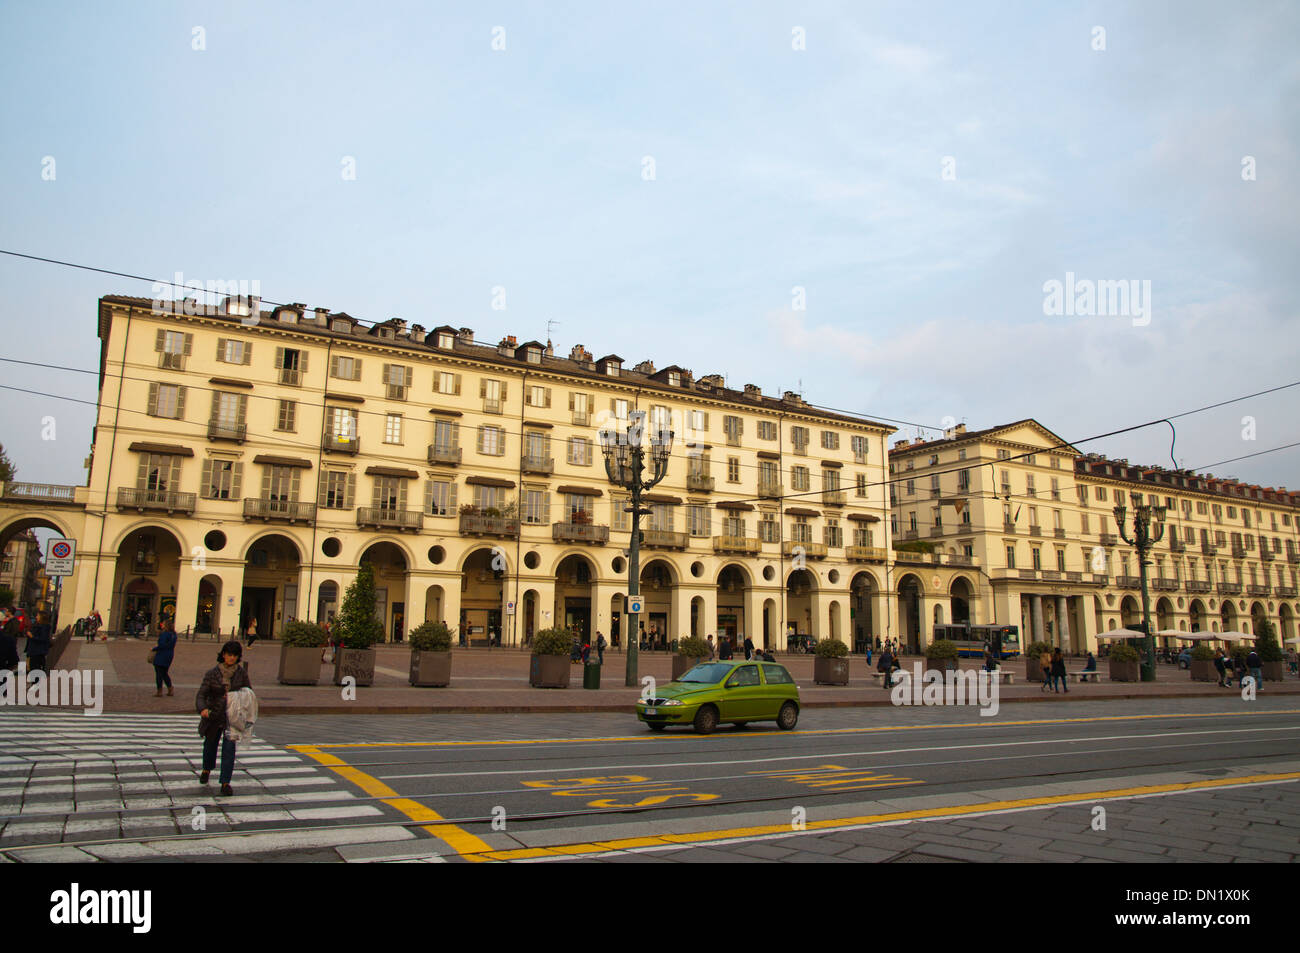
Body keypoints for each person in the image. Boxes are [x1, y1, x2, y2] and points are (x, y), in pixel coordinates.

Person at [196, 640, 251, 797]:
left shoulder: (241, 674)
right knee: (210, 745)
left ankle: (225, 782)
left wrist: (239, 699)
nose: (231, 658)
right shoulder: (213, 673)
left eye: (234, 655)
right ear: (223, 655)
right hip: (214, 715)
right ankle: (207, 768)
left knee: (229, 750)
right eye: (228, 655)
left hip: (232, 718)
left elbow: (248, 693)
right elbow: (202, 694)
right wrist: (203, 709)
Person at [153, 618, 177, 697]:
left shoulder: (165, 634)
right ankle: (170, 688)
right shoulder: (174, 634)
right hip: (169, 654)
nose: (161, 625)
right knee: (164, 673)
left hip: (162, 655)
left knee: (159, 673)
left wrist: (154, 648)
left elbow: (162, 645)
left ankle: (159, 691)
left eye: (163, 624)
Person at [24, 612, 52, 677]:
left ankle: (36, 683)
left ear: (42, 617)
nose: (36, 617)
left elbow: (43, 638)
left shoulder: (44, 627)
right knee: (33, 668)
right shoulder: (37, 625)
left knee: (35, 668)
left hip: (37, 651)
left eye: (38, 615)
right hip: (34, 650)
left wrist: (32, 636)